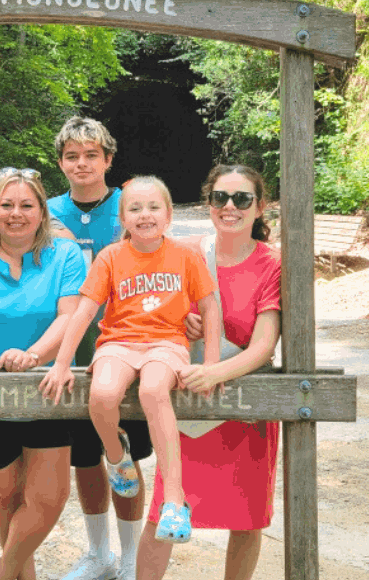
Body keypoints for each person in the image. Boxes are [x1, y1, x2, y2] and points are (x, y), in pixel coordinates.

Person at [41, 176, 221, 546]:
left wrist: (213, 364)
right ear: (122, 218)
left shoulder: (186, 256)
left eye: (154, 207)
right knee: (103, 395)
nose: (145, 215)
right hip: (118, 342)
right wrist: (60, 363)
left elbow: (210, 307)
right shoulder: (111, 257)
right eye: (135, 209)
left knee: (154, 391)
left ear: (169, 214)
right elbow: (83, 311)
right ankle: (116, 453)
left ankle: (174, 499)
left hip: (166, 343)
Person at [135, 164, 282, 580]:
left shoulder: (272, 264)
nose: (230, 206)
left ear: (260, 207)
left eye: (241, 198)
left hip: (241, 400)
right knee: (166, 506)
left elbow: (264, 344)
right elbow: (152, 310)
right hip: (191, 399)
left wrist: (217, 373)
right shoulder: (185, 252)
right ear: (208, 203)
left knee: (247, 518)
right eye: (220, 197)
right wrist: (182, 319)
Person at [0, 169, 87, 580]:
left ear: (42, 212)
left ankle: (4, 569)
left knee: (48, 499)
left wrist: (33, 354)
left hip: (45, 387)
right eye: (6, 205)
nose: (16, 214)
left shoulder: (65, 255)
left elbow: (69, 316)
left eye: (27, 205)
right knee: (4, 496)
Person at [47, 118, 151, 580]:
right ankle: (99, 553)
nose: (82, 163)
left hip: (126, 350)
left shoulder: (131, 208)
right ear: (61, 163)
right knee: (85, 458)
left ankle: (130, 557)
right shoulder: (42, 210)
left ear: (109, 159)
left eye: (91, 154)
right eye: (72, 155)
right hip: (71, 354)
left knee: (123, 454)